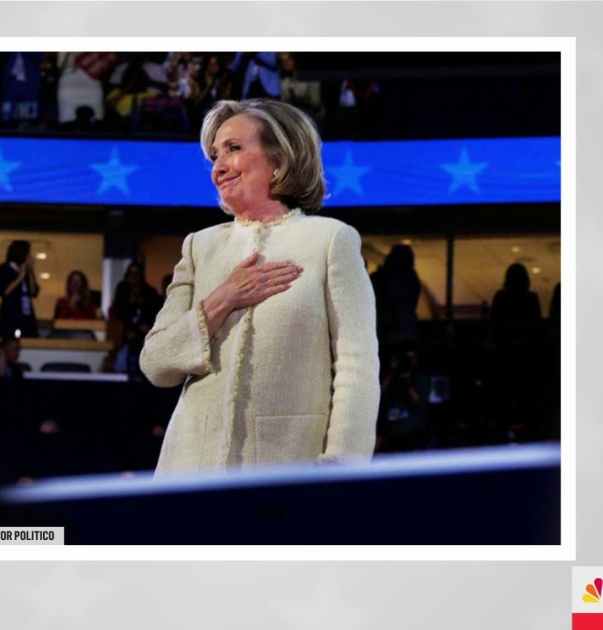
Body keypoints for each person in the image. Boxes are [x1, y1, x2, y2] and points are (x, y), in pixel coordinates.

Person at [139, 99, 379, 474]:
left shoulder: (331, 240)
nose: (218, 167)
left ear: (279, 159)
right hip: (188, 472)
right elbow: (156, 364)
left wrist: (342, 466)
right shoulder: (199, 247)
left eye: (233, 149)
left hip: (286, 469)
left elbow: (357, 365)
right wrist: (223, 298)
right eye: (214, 155)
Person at [110, 262, 160, 377]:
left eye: (136, 273)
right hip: (123, 339)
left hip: (144, 339)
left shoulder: (149, 293)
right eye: (131, 273)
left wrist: (140, 330)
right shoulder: (122, 291)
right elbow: (118, 316)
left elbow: (154, 316)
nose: (133, 276)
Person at [370, 243, 422, 344]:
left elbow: (392, 299)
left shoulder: (404, 280)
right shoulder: (410, 279)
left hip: (394, 333)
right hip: (401, 332)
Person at [0, 240, 40, 339]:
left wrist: (30, 271)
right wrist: (20, 276)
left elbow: (33, 291)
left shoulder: (26, 272)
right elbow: (5, 291)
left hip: (26, 314)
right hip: (11, 315)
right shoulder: (5, 268)